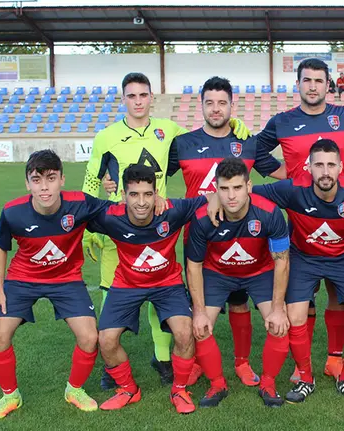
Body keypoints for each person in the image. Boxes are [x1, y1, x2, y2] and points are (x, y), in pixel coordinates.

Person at [83, 72, 250, 390]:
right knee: (111, 293)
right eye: (131, 96)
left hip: (159, 224)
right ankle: (111, 365)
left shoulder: (169, 130)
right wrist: (91, 229)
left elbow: (204, 139)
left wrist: (236, 129)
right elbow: (93, 179)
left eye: (143, 95)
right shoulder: (106, 136)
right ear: (123, 99)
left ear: (151, 98)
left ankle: (162, 359)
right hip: (117, 227)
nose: (138, 101)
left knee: (158, 293)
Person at [211, 139, 344, 404]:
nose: (325, 172)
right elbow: (249, 193)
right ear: (309, 167)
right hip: (303, 259)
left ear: (340, 167)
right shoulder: (293, 189)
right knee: (295, 315)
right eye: (319, 165)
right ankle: (305, 377)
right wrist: (215, 197)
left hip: (342, 258)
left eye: (331, 165)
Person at [253, 58, 344, 383]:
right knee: (301, 291)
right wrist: (283, 173)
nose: (312, 86)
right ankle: (300, 363)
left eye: (319, 81)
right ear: (299, 85)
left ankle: (335, 359)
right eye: (307, 80)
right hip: (299, 208)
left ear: (328, 85)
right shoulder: (282, 121)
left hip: (339, 205)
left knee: (336, 292)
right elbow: (256, 151)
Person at [164, 76, 284, 387]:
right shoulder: (183, 144)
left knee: (239, 302)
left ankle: (242, 363)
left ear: (232, 106)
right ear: (201, 105)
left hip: (243, 241)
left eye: (222, 103)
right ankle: (194, 363)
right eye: (210, 103)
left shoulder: (248, 142)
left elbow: (281, 172)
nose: (216, 109)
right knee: (199, 310)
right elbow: (154, 179)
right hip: (201, 243)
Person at [0, 150, 109, 421]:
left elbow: (116, 210)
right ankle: (10, 396)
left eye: (51, 178)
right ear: (27, 183)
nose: (44, 187)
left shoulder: (80, 204)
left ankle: (74, 390)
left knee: (90, 337)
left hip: (66, 279)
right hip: (23, 279)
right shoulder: (12, 211)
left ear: (62, 179)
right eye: (37, 179)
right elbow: (0, 245)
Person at [87, 164, 207, 414]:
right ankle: (128, 389)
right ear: (123, 195)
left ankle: (180, 389)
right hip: (127, 284)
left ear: (156, 193)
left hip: (167, 284)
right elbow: (74, 208)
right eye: (134, 194)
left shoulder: (172, 212)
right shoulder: (111, 216)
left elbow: (212, 198)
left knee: (185, 333)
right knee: (106, 341)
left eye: (148, 194)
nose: (141, 202)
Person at [186, 157, 291, 408]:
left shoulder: (269, 213)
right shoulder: (202, 219)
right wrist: (199, 312)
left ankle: (268, 383)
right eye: (224, 189)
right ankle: (217, 383)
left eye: (237, 188)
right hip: (217, 274)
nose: (231, 196)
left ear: (249, 187)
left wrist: (278, 308)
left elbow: (282, 261)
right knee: (199, 327)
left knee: (279, 325)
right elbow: (194, 266)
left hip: (259, 272)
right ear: (216, 189)